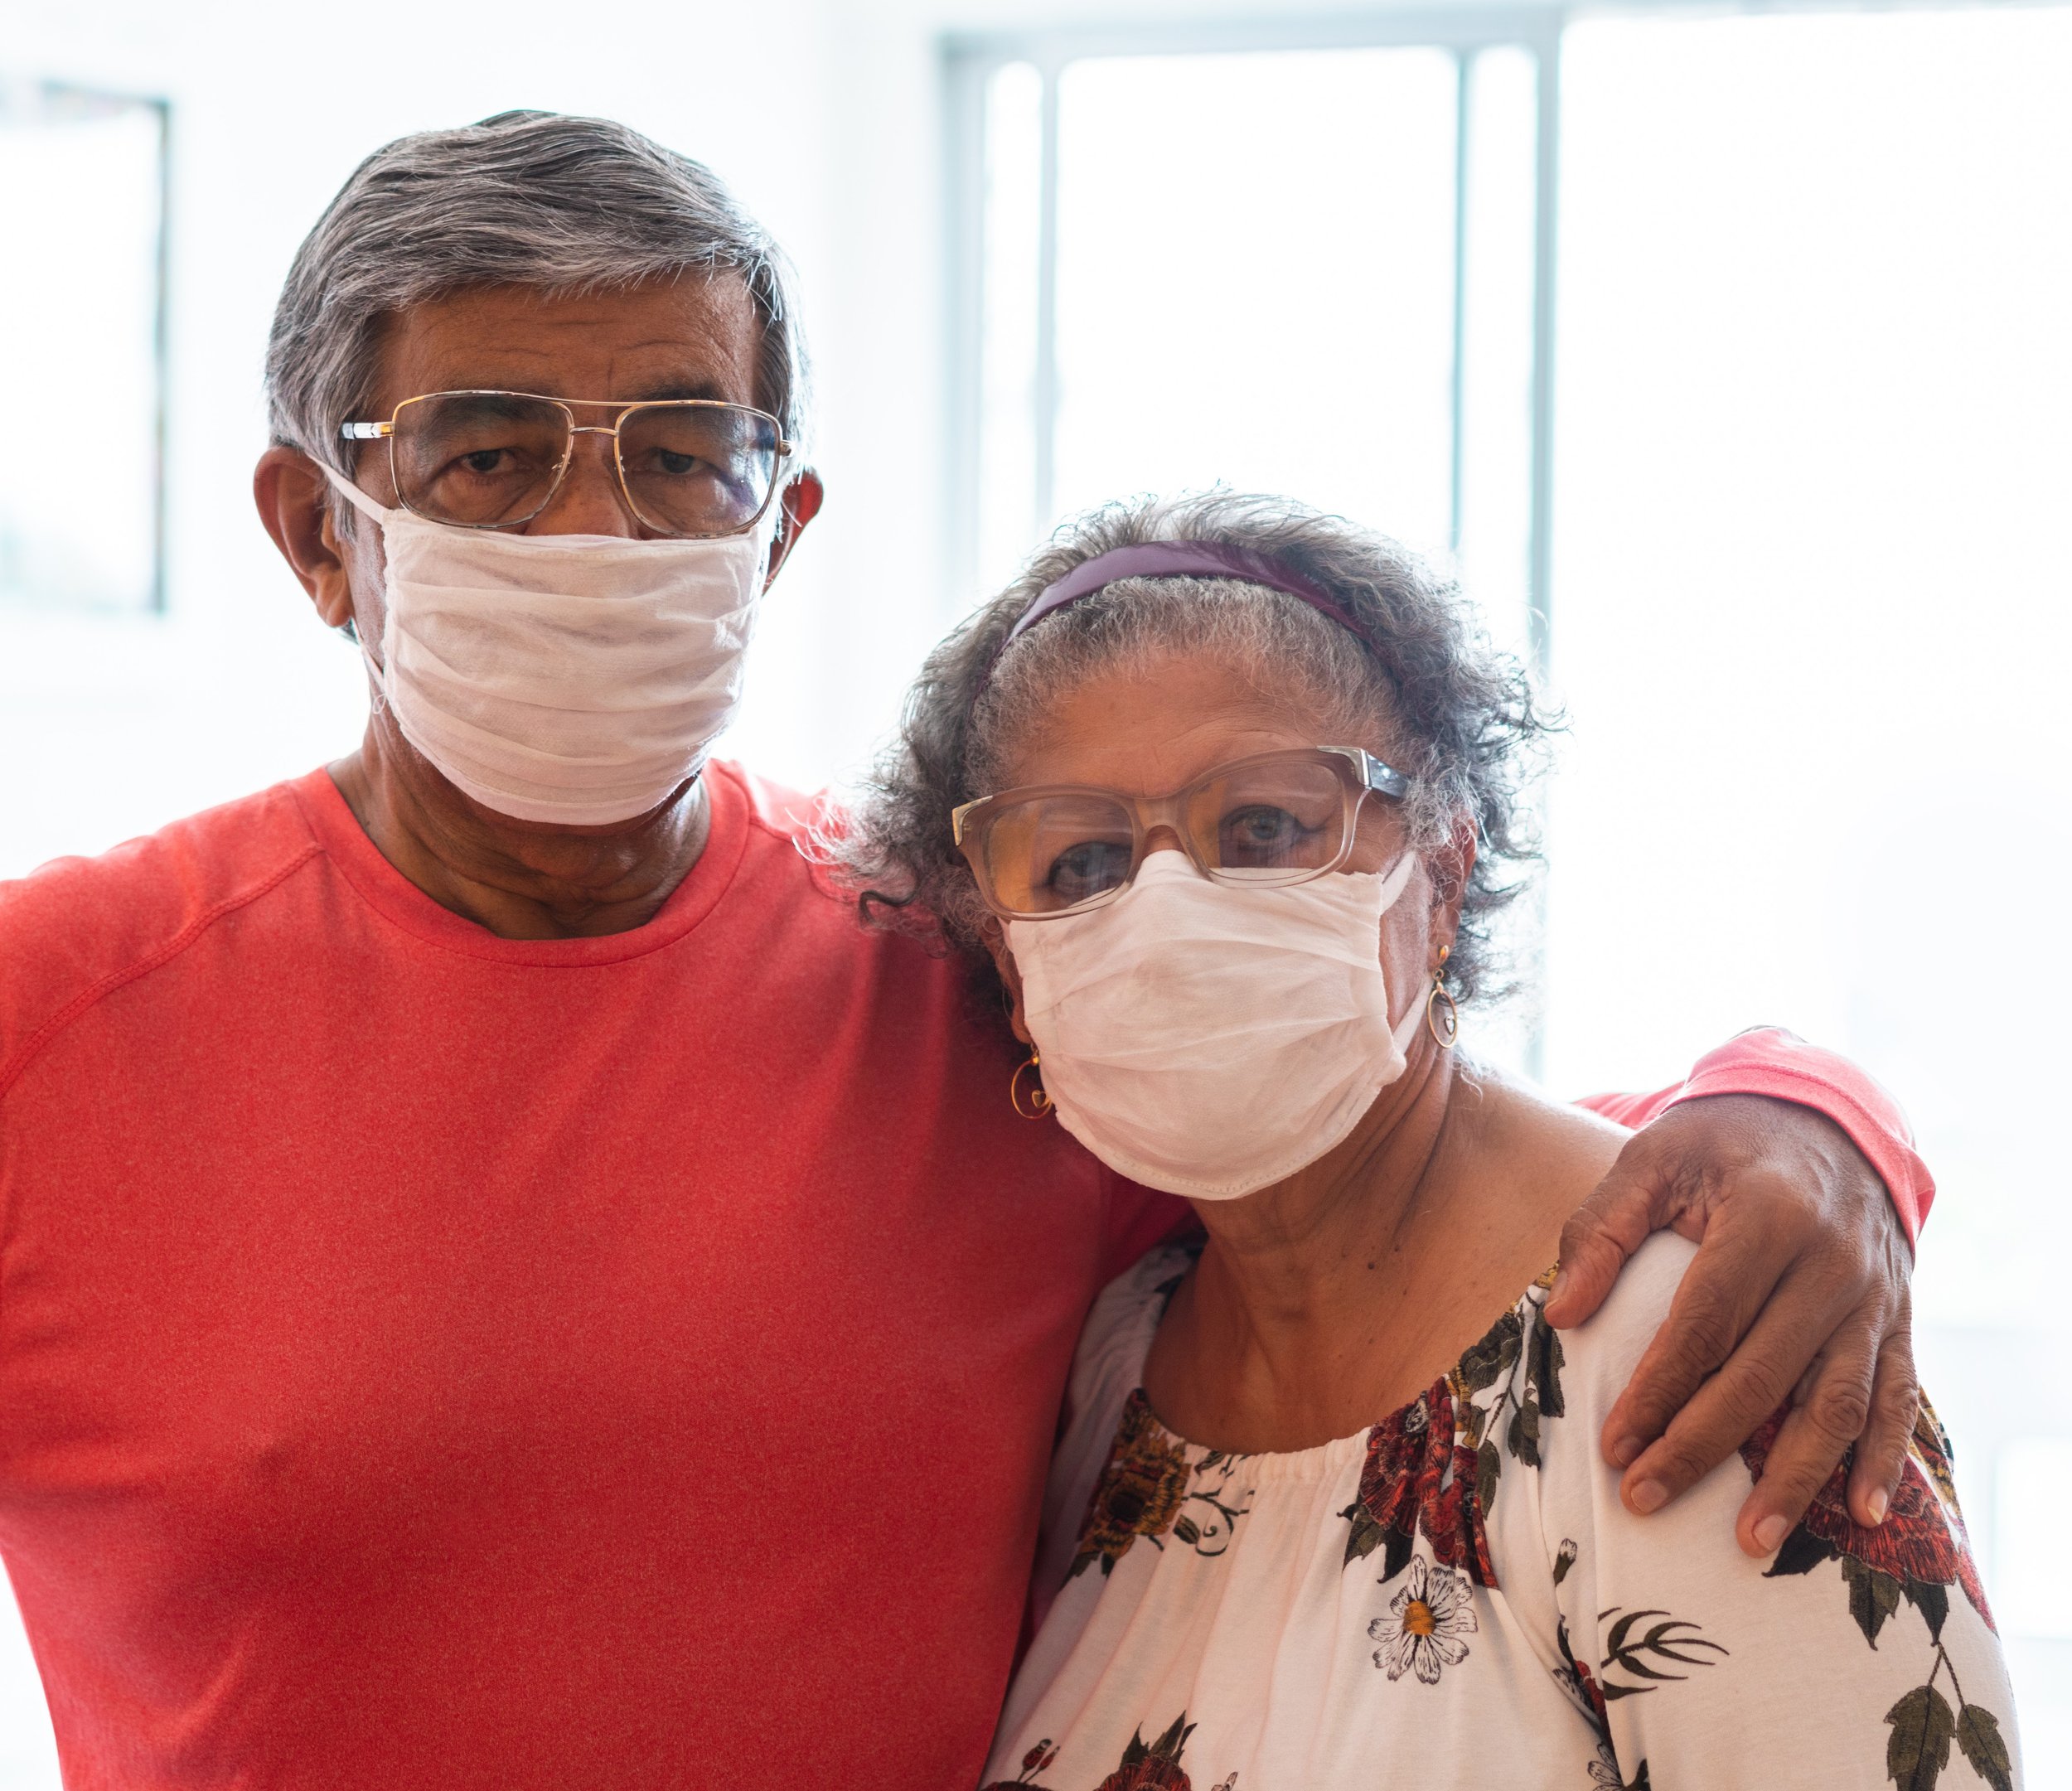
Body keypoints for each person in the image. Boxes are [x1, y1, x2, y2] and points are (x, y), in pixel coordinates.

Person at [0, 113, 1928, 1789]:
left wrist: (1804, 1113)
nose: (599, 531)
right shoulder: (47, 1021)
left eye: (682, 453)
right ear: (315, 531)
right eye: (490, 456)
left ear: (778, 527)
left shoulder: (954, 974)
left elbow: (1396, 1158)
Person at [837, 496, 2016, 1789]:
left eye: (1263, 828)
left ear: (1441, 876)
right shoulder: (1110, 1371)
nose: (1165, 915)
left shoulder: (1713, 1339)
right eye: (1081, 863)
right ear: (1011, 965)